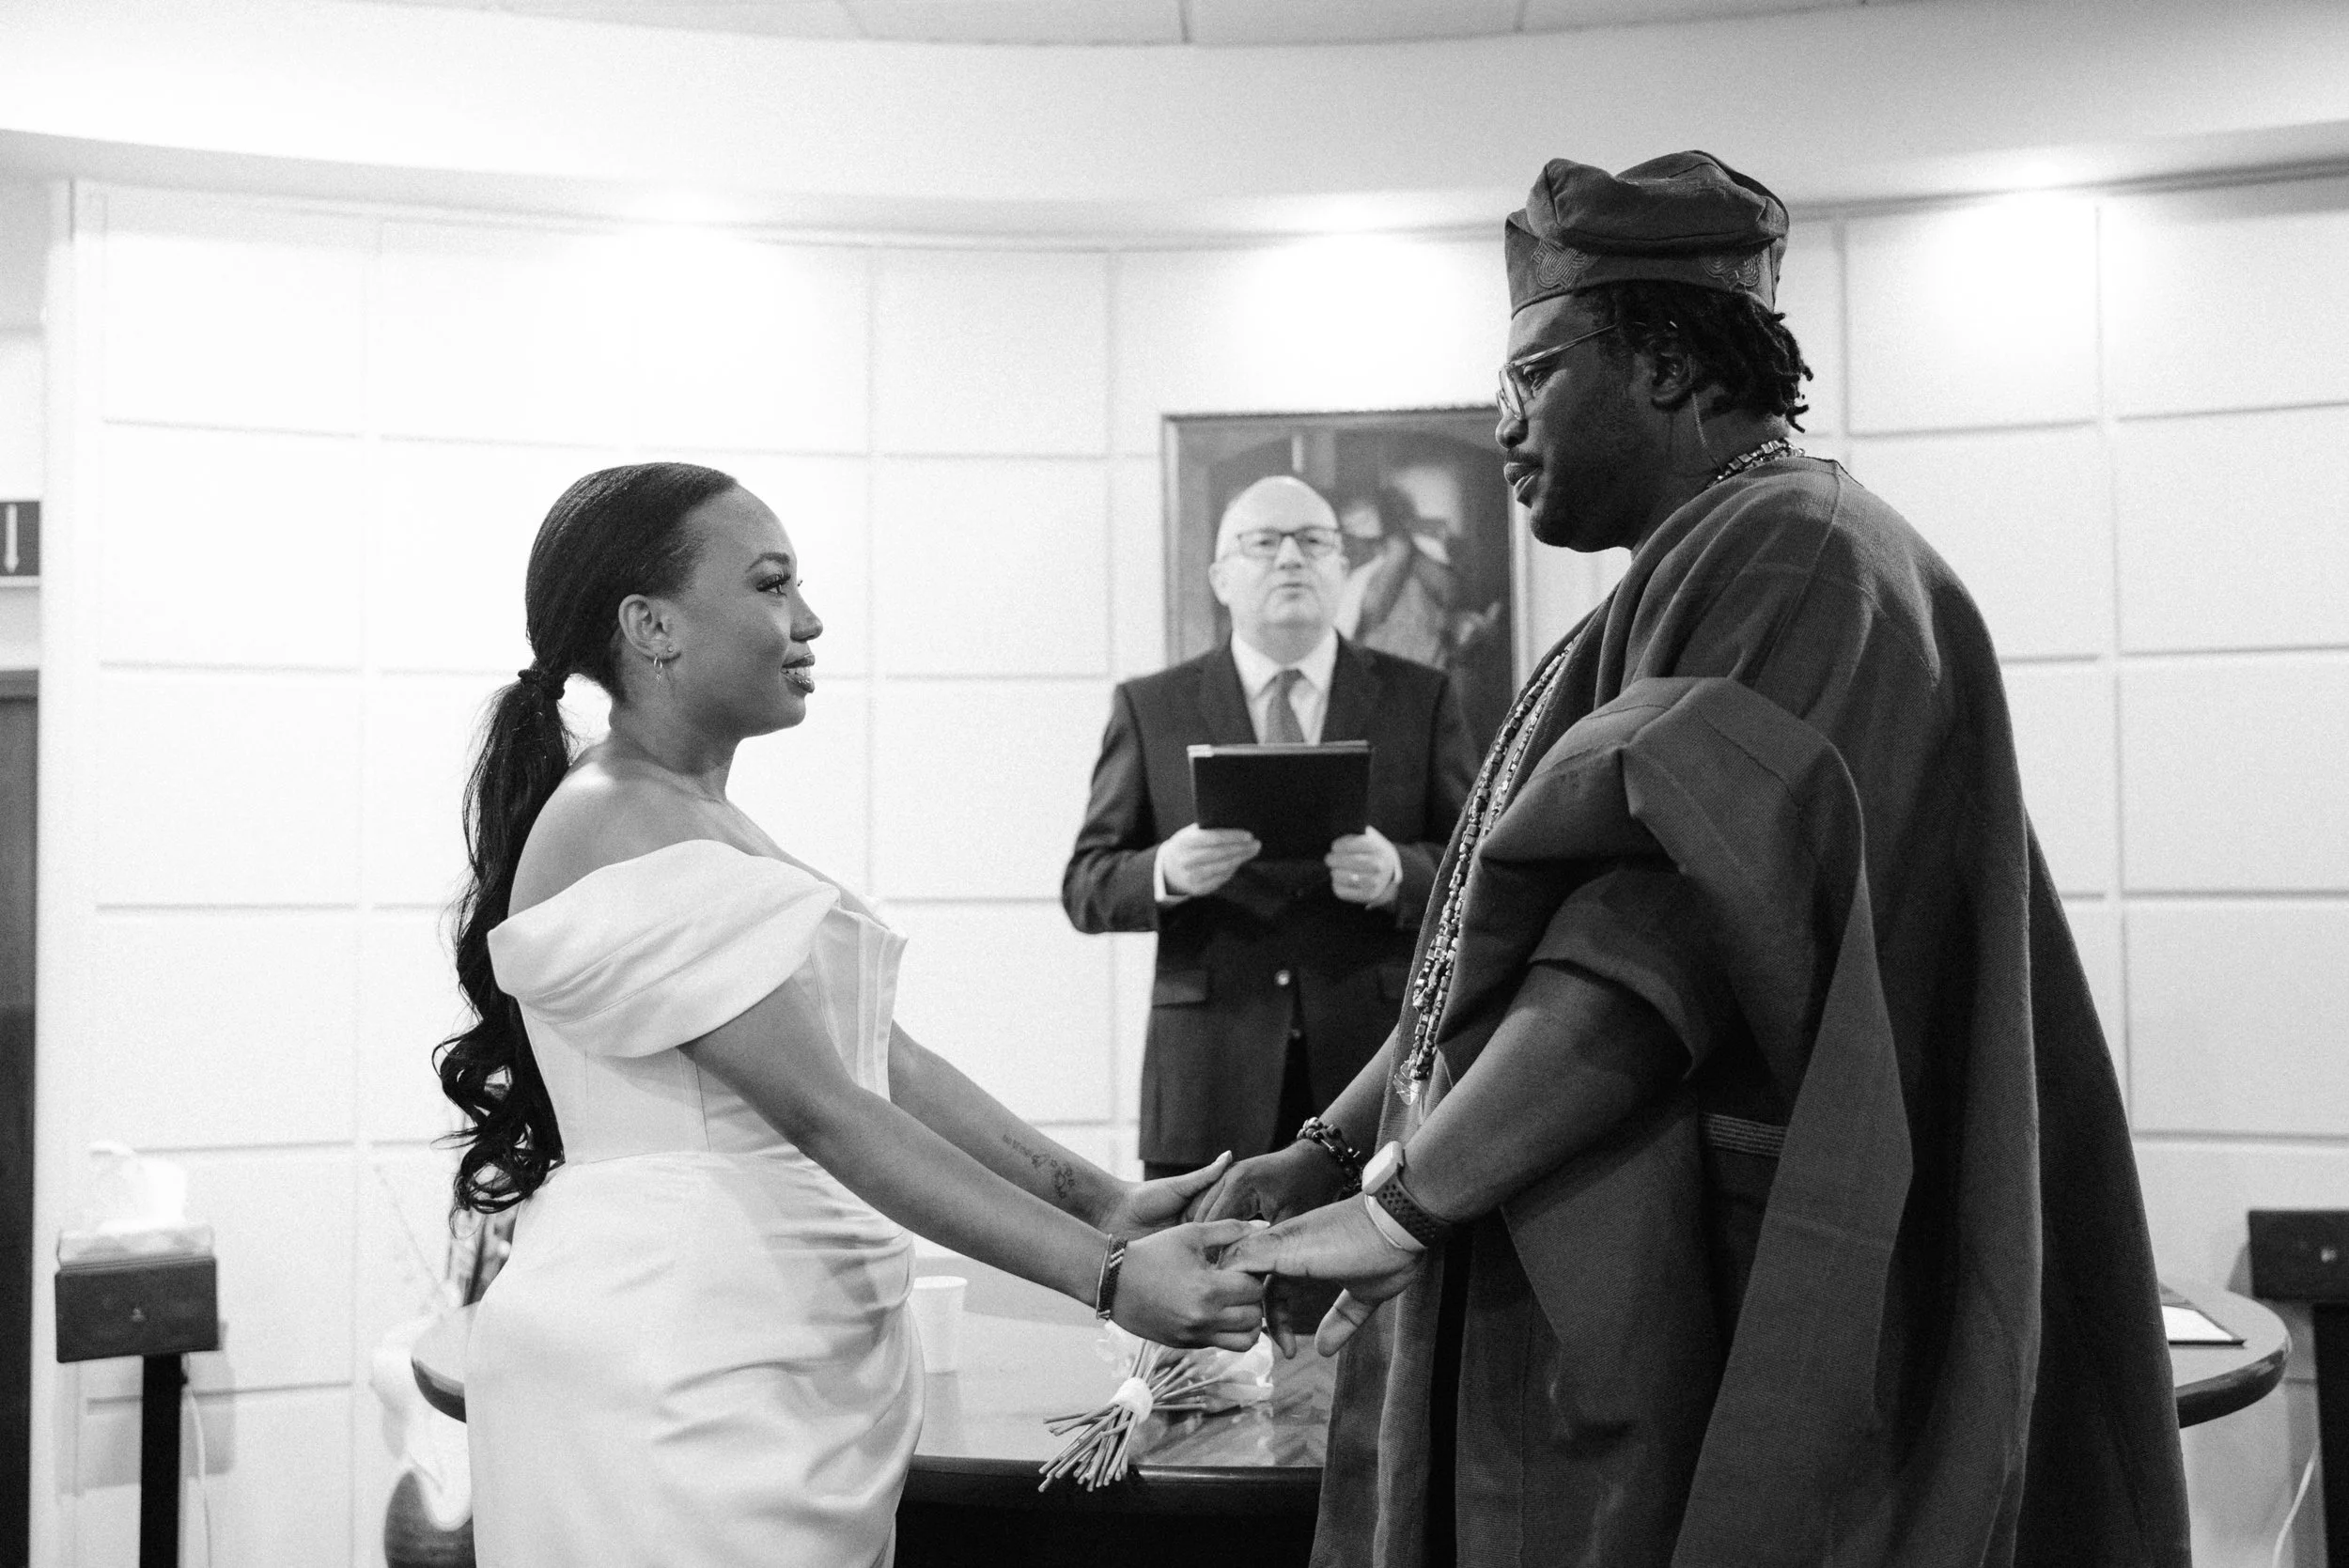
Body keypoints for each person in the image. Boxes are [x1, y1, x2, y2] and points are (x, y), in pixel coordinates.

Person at [1208, 153, 2191, 1566]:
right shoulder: (1701, 562)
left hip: (1707, 1306)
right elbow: (1474, 968)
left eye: (1533, 375)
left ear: (1666, 363)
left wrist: (1406, 1202)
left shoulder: (1800, 558)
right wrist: (1328, 1151)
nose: (1502, 424)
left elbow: (1648, 943)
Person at [438, 462, 1265, 1568]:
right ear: (652, 625)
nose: (808, 618)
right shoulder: (618, 816)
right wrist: (1104, 1277)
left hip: (766, 1363)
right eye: (770, 584)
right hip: (674, 1371)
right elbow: (828, 1110)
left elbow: (889, 1063)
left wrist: (1104, 1202)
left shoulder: (698, 817)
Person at [1064, 474, 1478, 1180]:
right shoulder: (1151, 706)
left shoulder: (1423, 698)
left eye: (1313, 541)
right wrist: (1166, 870)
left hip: (1371, 1071)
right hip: (1208, 1075)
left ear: (1343, 567)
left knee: (1372, 1258)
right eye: (1263, 542)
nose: (1290, 558)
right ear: (1220, 578)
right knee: (1201, 1253)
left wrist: (1399, 874)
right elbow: (1086, 885)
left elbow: (1478, 869)